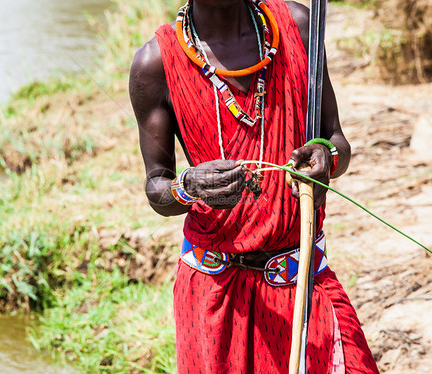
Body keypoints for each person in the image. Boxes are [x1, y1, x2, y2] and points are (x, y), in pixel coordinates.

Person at [129, 0, 380, 372]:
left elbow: (336, 140)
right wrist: (189, 187)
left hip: (300, 277)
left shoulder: (298, 26)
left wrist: (327, 157)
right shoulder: (156, 63)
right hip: (213, 293)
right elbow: (156, 187)